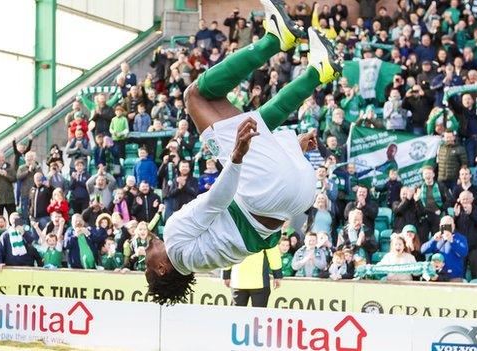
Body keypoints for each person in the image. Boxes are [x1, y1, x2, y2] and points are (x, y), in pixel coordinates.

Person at [145, 5, 342, 304]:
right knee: (194, 96)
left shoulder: (205, 262)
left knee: (259, 121)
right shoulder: (174, 239)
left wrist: (291, 153)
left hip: (297, 198)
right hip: (264, 193)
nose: (146, 250)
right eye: (147, 260)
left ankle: (318, 71)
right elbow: (216, 200)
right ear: (161, 268)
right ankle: (275, 40)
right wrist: (236, 156)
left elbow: (259, 236)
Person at [420, 216, 468, 282]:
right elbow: (423, 250)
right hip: (437, 277)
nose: (446, 227)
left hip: (454, 277)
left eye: (449, 225)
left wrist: (452, 241)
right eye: (444, 225)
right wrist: (433, 240)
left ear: (453, 225)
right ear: (440, 226)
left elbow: (464, 253)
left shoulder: (460, 238)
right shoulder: (437, 237)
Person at [453, 190, 477, 279]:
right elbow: (453, 228)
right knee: (460, 273)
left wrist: (471, 213)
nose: (465, 201)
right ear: (459, 200)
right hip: (461, 247)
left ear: (472, 199)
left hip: (474, 247)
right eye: (463, 199)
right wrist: (456, 216)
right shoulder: (457, 209)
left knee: (476, 273)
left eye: (467, 199)